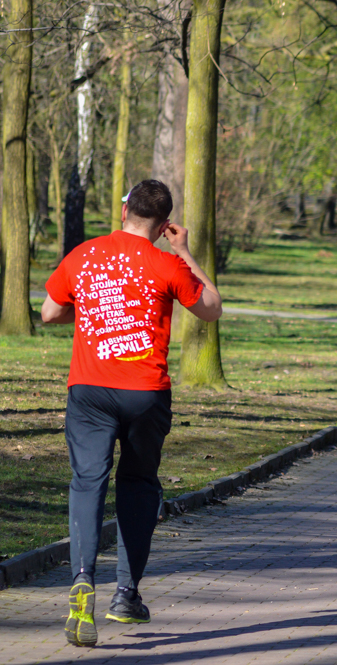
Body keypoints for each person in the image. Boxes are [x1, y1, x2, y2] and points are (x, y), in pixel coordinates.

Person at [41, 180, 223, 647]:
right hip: (145, 394)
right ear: (165, 225)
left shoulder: (85, 254)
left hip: (90, 390)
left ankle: (82, 578)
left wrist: (93, 313)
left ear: (124, 211)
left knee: (87, 481)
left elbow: (48, 312)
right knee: (139, 484)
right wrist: (187, 252)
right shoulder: (168, 262)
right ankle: (126, 594)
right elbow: (211, 309)